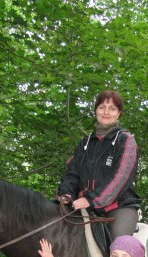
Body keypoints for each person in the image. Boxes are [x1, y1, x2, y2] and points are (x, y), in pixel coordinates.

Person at [56, 90, 141, 240]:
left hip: (118, 206)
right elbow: (72, 173)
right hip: (84, 206)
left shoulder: (125, 140)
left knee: (118, 248)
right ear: (96, 110)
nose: (106, 112)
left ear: (119, 113)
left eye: (112, 108)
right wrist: (66, 194)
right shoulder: (85, 143)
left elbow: (120, 178)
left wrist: (91, 200)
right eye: (102, 107)